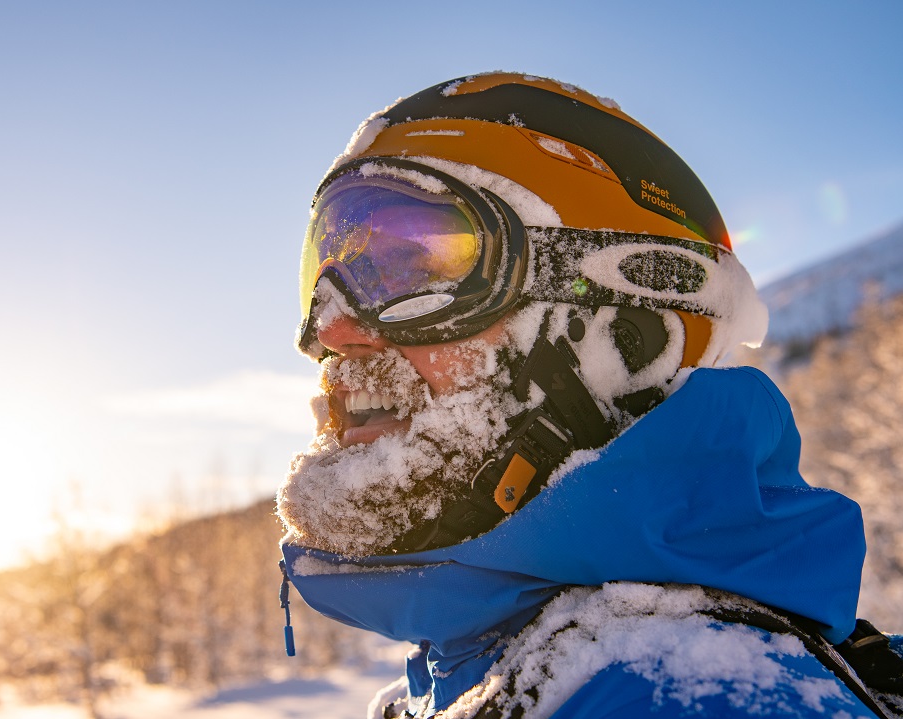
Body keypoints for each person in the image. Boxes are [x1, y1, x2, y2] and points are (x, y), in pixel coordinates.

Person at [275, 73, 903, 718]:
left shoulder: (687, 698)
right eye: (324, 276)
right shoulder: (479, 667)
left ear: (624, 341)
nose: (332, 329)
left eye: (414, 269)